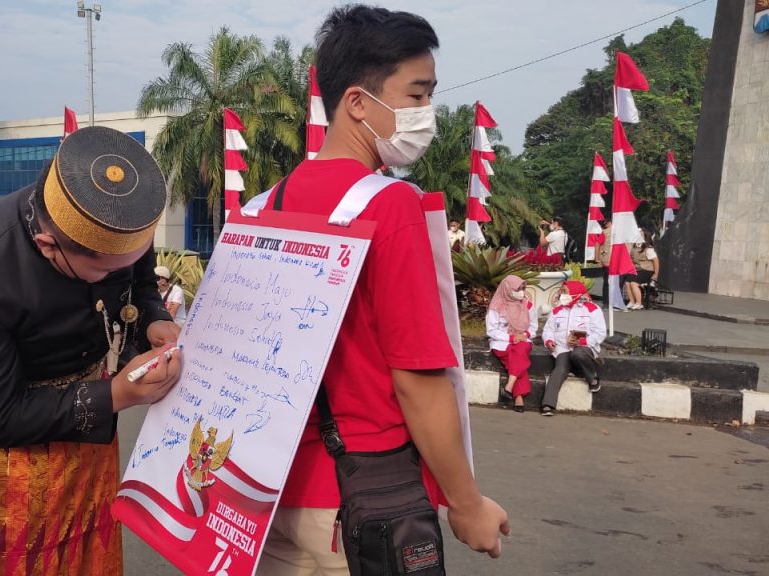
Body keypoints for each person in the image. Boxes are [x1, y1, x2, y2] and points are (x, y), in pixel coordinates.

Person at [254, 7, 508, 574]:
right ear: (357, 103)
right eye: (416, 96)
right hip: (358, 507)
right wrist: (467, 505)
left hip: (270, 498)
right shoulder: (388, 205)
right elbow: (417, 380)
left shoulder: (263, 206)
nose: (426, 114)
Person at [0, 126, 182, 576]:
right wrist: (117, 396)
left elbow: (139, 277)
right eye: (104, 271)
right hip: (8, 451)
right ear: (48, 246)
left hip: (90, 419)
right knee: (21, 558)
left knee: (91, 544)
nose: (119, 273)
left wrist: (153, 314)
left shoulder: (115, 223)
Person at [540, 281, 606, 416]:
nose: (561, 294)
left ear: (575, 293)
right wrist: (549, 341)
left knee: (579, 354)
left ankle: (592, 377)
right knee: (559, 369)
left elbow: (600, 332)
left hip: (584, 348)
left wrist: (582, 341)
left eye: (565, 291)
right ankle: (548, 404)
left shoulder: (591, 309)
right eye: (561, 291)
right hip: (562, 349)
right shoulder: (557, 310)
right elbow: (548, 330)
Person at [486, 275, 538, 413]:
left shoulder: (528, 305)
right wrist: (510, 338)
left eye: (523, 288)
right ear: (508, 289)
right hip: (502, 342)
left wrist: (524, 335)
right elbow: (491, 330)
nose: (521, 292)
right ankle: (518, 396)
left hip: (522, 340)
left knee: (520, 350)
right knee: (518, 356)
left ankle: (509, 387)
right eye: (517, 289)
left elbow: (533, 328)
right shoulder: (497, 306)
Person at [624, 228, 660, 310]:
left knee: (633, 283)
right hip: (637, 269)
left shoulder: (648, 248)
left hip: (647, 270)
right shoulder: (634, 246)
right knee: (627, 282)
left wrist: (655, 274)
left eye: (640, 234)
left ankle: (639, 303)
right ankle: (632, 301)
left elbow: (656, 261)